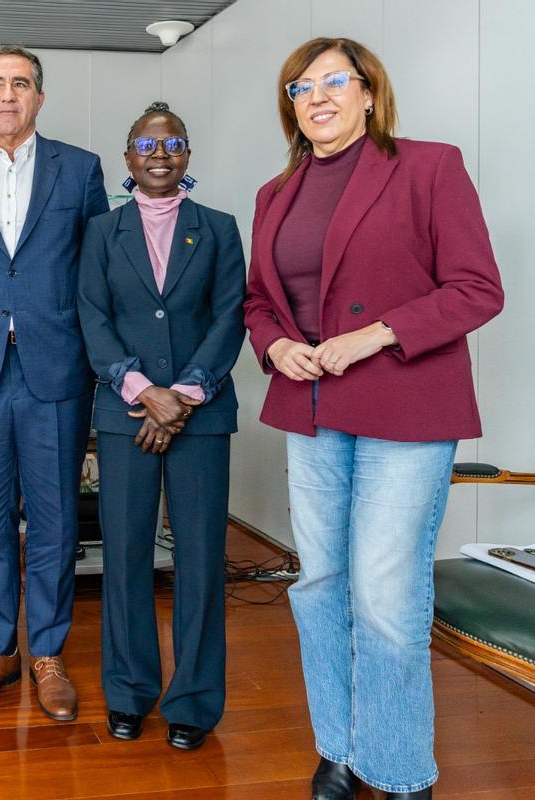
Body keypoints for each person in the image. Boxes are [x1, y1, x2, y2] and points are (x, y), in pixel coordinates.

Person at [243, 37, 503, 800]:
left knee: (385, 591)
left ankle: (398, 770)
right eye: (300, 86)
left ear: (367, 91)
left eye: (333, 81)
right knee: (319, 582)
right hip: (313, 408)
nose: (317, 96)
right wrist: (278, 344)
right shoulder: (274, 193)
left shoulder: (428, 166)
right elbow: (259, 301)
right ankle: (341, 748)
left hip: (403, 404)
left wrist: (375, 334)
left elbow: (477, 289)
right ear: (290, 106)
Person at [0, 45, 108, 721]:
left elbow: (96, 272)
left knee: (57, 518)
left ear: (39, 97)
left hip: (57, 366)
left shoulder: (81, 169)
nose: (9, 94)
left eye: (22, 83)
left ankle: (48, 653)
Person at [78, 102, 245, 751]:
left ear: (186, 155)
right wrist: (145, 392)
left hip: (200, 420)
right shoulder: (101, 232)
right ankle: (129, 692)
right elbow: (93, 315)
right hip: (126, 416)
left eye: (173, 142)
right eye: (147, 144)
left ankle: (195, 702)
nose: (160, 152)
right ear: (128, 158)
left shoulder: (221, 229)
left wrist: (184, 397)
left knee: (201, 562)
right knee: (125, 559)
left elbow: (230, 316)